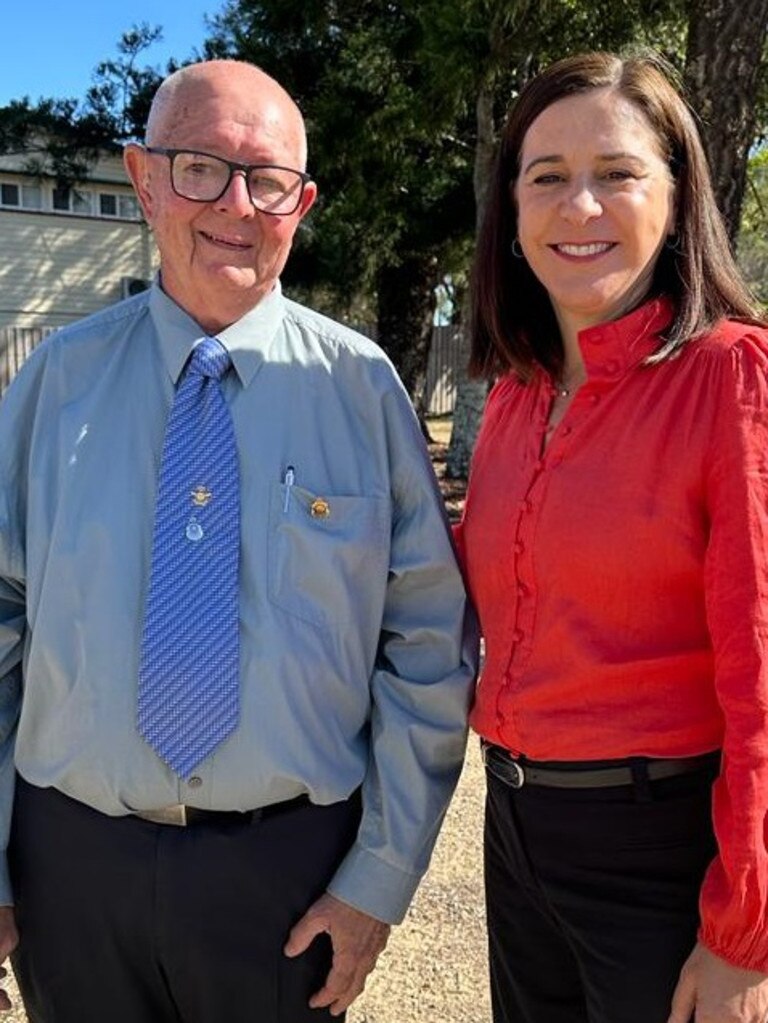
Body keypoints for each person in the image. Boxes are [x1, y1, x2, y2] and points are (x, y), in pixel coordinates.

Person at [0, 60, 476, 1023]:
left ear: (300, 203)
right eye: (199, 167)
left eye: (267, 181)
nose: (236, 205)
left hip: (290, 876)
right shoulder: (54, 386)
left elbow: (427, 644)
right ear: (141, 177)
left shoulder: (363, 391)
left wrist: (377, 882)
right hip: (71, 869)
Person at [456, 50, 768, 1023]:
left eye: (618, 173)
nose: (579, 206)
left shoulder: (733, 380)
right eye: (546, 177)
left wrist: (746, 937)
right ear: (511, 212)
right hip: (514, 830)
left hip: (663, 851)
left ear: (677, 198)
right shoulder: (516, 394)